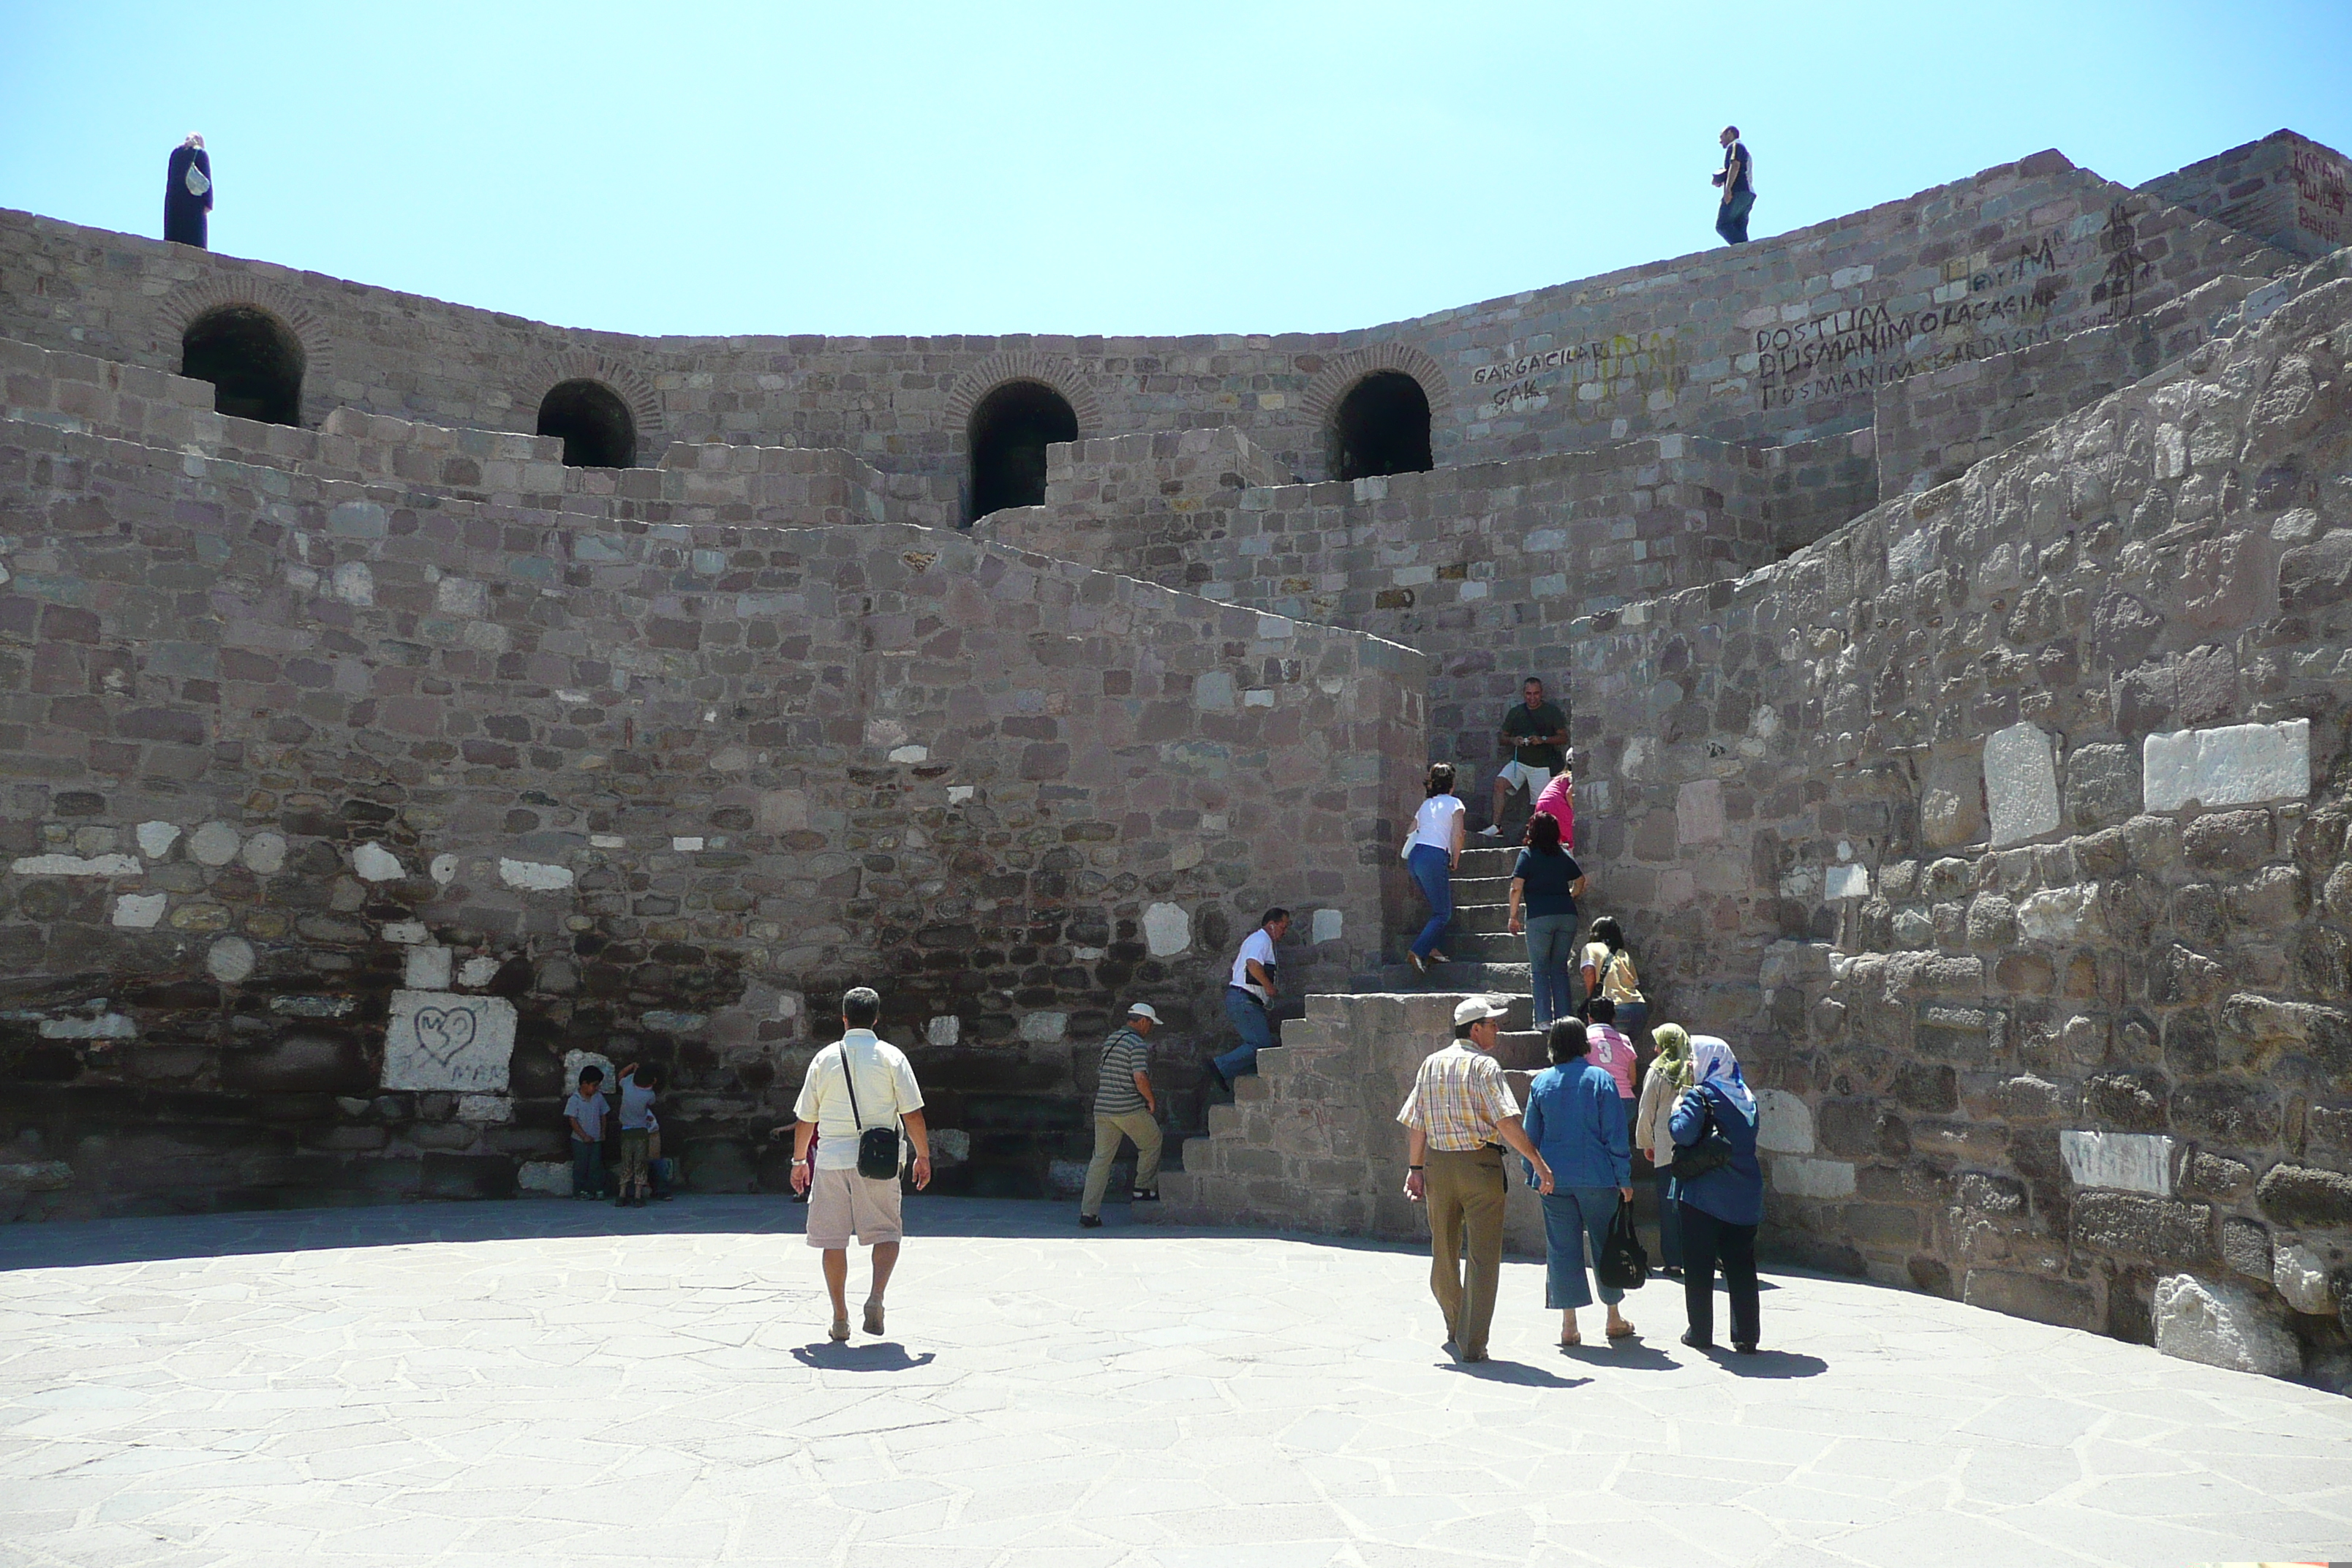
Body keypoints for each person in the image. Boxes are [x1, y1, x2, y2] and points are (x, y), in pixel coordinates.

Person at [1398, 996, 1556, 1363]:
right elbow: (1504, 1121)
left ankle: (1455, 1321)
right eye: (1492, 1023)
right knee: (1483, 1257)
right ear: (1475, 1029)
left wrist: (1415, 1169)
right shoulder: (1486, 1067)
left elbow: (1416, 1122)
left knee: (1444, 1251)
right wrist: (1537, 1161)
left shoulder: (1430, 1064)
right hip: (1480, 1166)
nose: (1497, 1029)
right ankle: (1472, 1341)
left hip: (1438, 1166)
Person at [788, 986, 933, 1342]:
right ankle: (876, 1297)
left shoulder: (824, 1059)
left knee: (832, 1241)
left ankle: (840, 1317)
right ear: (876, 1018)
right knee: (886, 1231)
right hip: (879, 1162)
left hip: (832, 1159)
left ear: (844, 1018)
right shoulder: (891, 1057)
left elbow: (807, 1117)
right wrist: (923, 1156)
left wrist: (798, 1161)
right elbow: (912, 1114)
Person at [1520, 1019, 1636, 1347]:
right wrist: (1623, 1177)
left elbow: (1531, 1137)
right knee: (1605, 1244)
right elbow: (1614, 1133)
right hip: (1598, 1178)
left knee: (1561, 1247)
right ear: (1583, 1044)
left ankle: (1569, 1324)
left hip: (1554, 1180)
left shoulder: (1541, 1083)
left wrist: (1534, 1173)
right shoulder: (1600, 1079)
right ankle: (1613, 1317)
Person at [1670, 1034, 1764, 1354]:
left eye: (1693, 1059)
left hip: (1704, 1196)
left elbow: (1682, 1134)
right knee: (1741, 1266)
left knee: (1698, 1266)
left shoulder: (1701, 1095)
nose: (1690, 1064)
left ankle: (1700, 1331)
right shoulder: (1747, 1099)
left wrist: (1676, 1109)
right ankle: (1746, 1334)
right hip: (1746, 1194)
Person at [1079, 1003, 1166, 1228]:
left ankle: (1089, 1212)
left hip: (1103, 1108)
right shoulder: (1136, 1043)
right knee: (1152, 1141)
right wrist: (1151, 1100)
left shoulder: (1112, 1039)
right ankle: (1143, 1188)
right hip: (1127, 1107)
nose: (1150, 1029)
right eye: (1150, 1024)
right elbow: (1139, 1077)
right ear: (1143, 1021)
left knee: (1100, 1160)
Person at [1505, 813, 1587, 1028]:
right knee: (1559, 968)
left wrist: (1513, 917)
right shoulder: (1562, 854)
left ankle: (1543, 1020)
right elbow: (1580, 880)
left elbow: (1516, 887)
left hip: (1539, 917)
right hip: (1567, 916)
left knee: (1540, 969)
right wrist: (1571, 895)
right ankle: (1565, 1021)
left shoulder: (1528, 854)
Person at [1633, 1022, 1693, 1277]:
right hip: (1692, 1144)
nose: (1655, 1048)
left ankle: (1674, 1261)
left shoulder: (1656, 1072)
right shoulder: (1693, 1068)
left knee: (1669, 1204)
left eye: (1658, 1043)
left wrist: (1646, 1142)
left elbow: (1647, 1109)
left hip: (1666, 1145)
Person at [1481, 677, 1569, 838]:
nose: (1532, 698)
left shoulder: (1551, 712)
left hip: (1542, 765)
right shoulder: (1516, 713)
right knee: (1499, 784)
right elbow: (1503, 738)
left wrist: (1543, 740)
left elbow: (1563, 738)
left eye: (1536, 694)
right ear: (1524, 694)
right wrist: (1514, 740)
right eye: (1529, 694)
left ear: (1541, 693)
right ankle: (1496, 826)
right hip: (1519, 761)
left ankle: (1538, 835)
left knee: (1540, 803)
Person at [1210, 908, 1289, 1088]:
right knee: (1260, 1045)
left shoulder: (1257, 940)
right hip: (1245, 999)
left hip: (1243, 999)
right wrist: (1269, 987)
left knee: (1259, 1045)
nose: (1285, 932)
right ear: (1272, 925)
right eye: (1283, 927)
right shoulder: (1261, 940)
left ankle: (1225, 1072)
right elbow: (1252, 964)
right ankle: (1220, 1067)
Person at [1401, 762, 1466, 975]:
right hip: (1434, 856)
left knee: (1436, 907)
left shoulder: (1426, 805)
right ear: (1452, 784)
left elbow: (1411, 831)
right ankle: (1418, 950)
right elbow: (1458, 835)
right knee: (1443, 913)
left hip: (1415, 858)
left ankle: (1431, 947)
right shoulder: (1455, 804)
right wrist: (1455, 859)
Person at [1582, 916, 1648, 1045]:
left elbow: (1589, 970)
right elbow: (1635, 983)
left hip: (1616, 1007)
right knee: (1626, 1051)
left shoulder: (1591, 948)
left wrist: (1590, 996)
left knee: (1612, 1051)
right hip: (1639, 1007)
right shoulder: (1623, 954)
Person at [613, 1062, 661, 1207]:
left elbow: (620, 1075)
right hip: (641, 1131)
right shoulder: (649, 1095)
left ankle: (622, 1194)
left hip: (626, 1131)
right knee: (640, 1163)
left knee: (627, 1162)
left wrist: (632, 1067)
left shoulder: (627, 1084)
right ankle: (638, 1195)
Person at [565, 1065, 608, 1200]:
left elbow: (603, 1115)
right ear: (584, 1084)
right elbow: (572, 1120)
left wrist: (603, 1132)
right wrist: (583, 1136)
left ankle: (596, 1188)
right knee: (581, 1165)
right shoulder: (574, 1100)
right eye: (594, 1085)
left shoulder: (599, 1098)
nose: (596, 1089)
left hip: (595, 1138)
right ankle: (580, 1190)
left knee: (595, 1165)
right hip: (579, 1140)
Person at [1584, 997, 1637, 1104]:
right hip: (1624, 1099)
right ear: (1613, 1018)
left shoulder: (1583, 1039)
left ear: (1590, 1017)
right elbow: (1633, 1080)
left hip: (1594, 1099)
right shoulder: (1625, 1040)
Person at [165, 134, 212, 249]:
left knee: (176, 230)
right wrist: (208, 203)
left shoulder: (175, 154)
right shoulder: (201, 153)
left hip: (175, 200)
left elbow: (170, 179)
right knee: (195, 233)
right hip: (194, 200)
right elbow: (206, 181)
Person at [1712, 126, 1755, 245]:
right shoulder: (1744, 150)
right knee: (1738, 229)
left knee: (1722, 225)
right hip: (1748, 194)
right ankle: (1747, 254)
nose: (1720, 141)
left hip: (1738, 192)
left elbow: (1735, 165)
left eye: (1722, 137)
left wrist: (1728, 189)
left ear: (1730, 133)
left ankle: (1748, 251)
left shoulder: (1735, 146)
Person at [1531, 765, 1575, 849]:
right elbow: (1569, 793)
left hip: (1542, 804)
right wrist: (1573, 812)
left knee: (1549, 840)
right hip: (1557, 804)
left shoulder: (1560, 777)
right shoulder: (1574, 776)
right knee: (1570, 839)